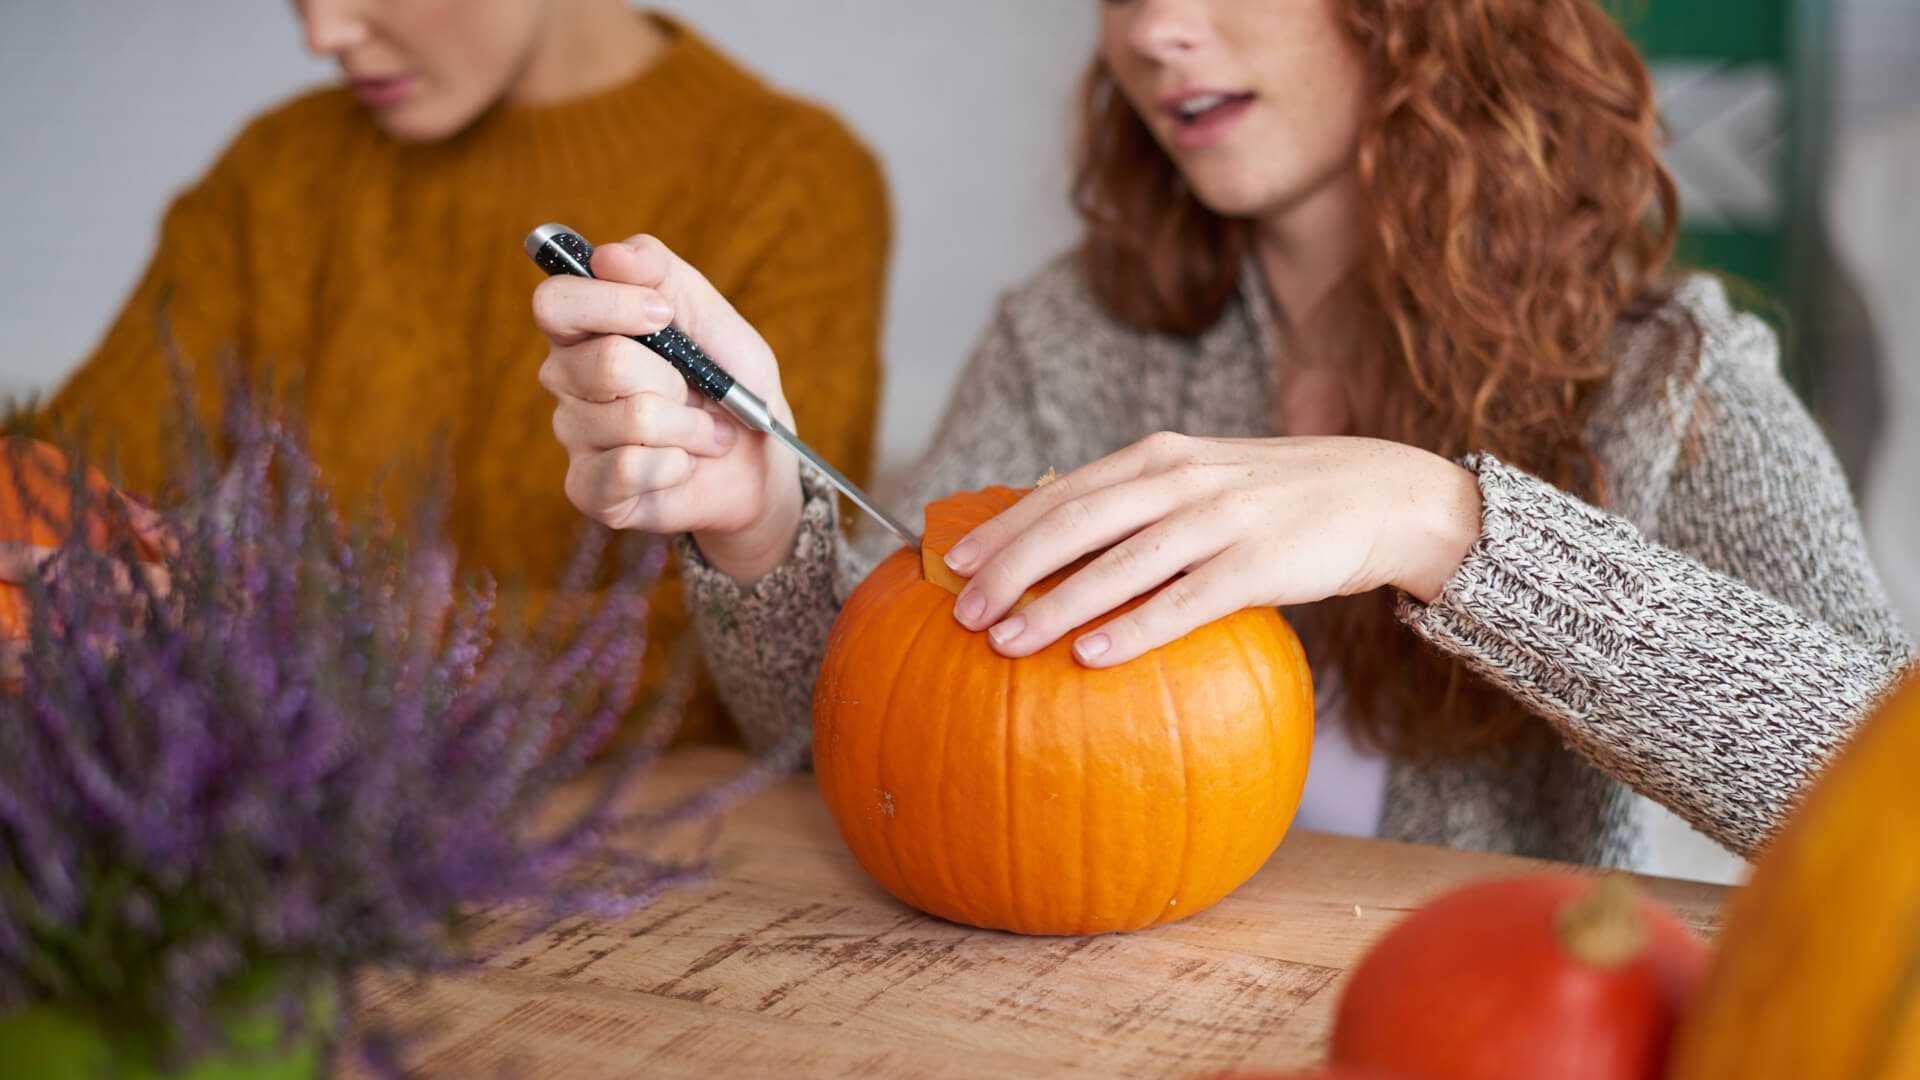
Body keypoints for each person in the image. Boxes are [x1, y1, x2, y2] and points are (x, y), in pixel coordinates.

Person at [532, 0, 1912, 866]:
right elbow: (899, 760)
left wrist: (1444, 523)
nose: (1151, 29)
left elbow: (1887, 810)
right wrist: (758, 517)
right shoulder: (1068, 334)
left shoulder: (1669, 378)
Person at [17, 0, 891, 744]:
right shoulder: (277, 176)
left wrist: (323, 637)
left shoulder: (792, 182)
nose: (322, 29)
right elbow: (49, 493)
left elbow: (761, 644)